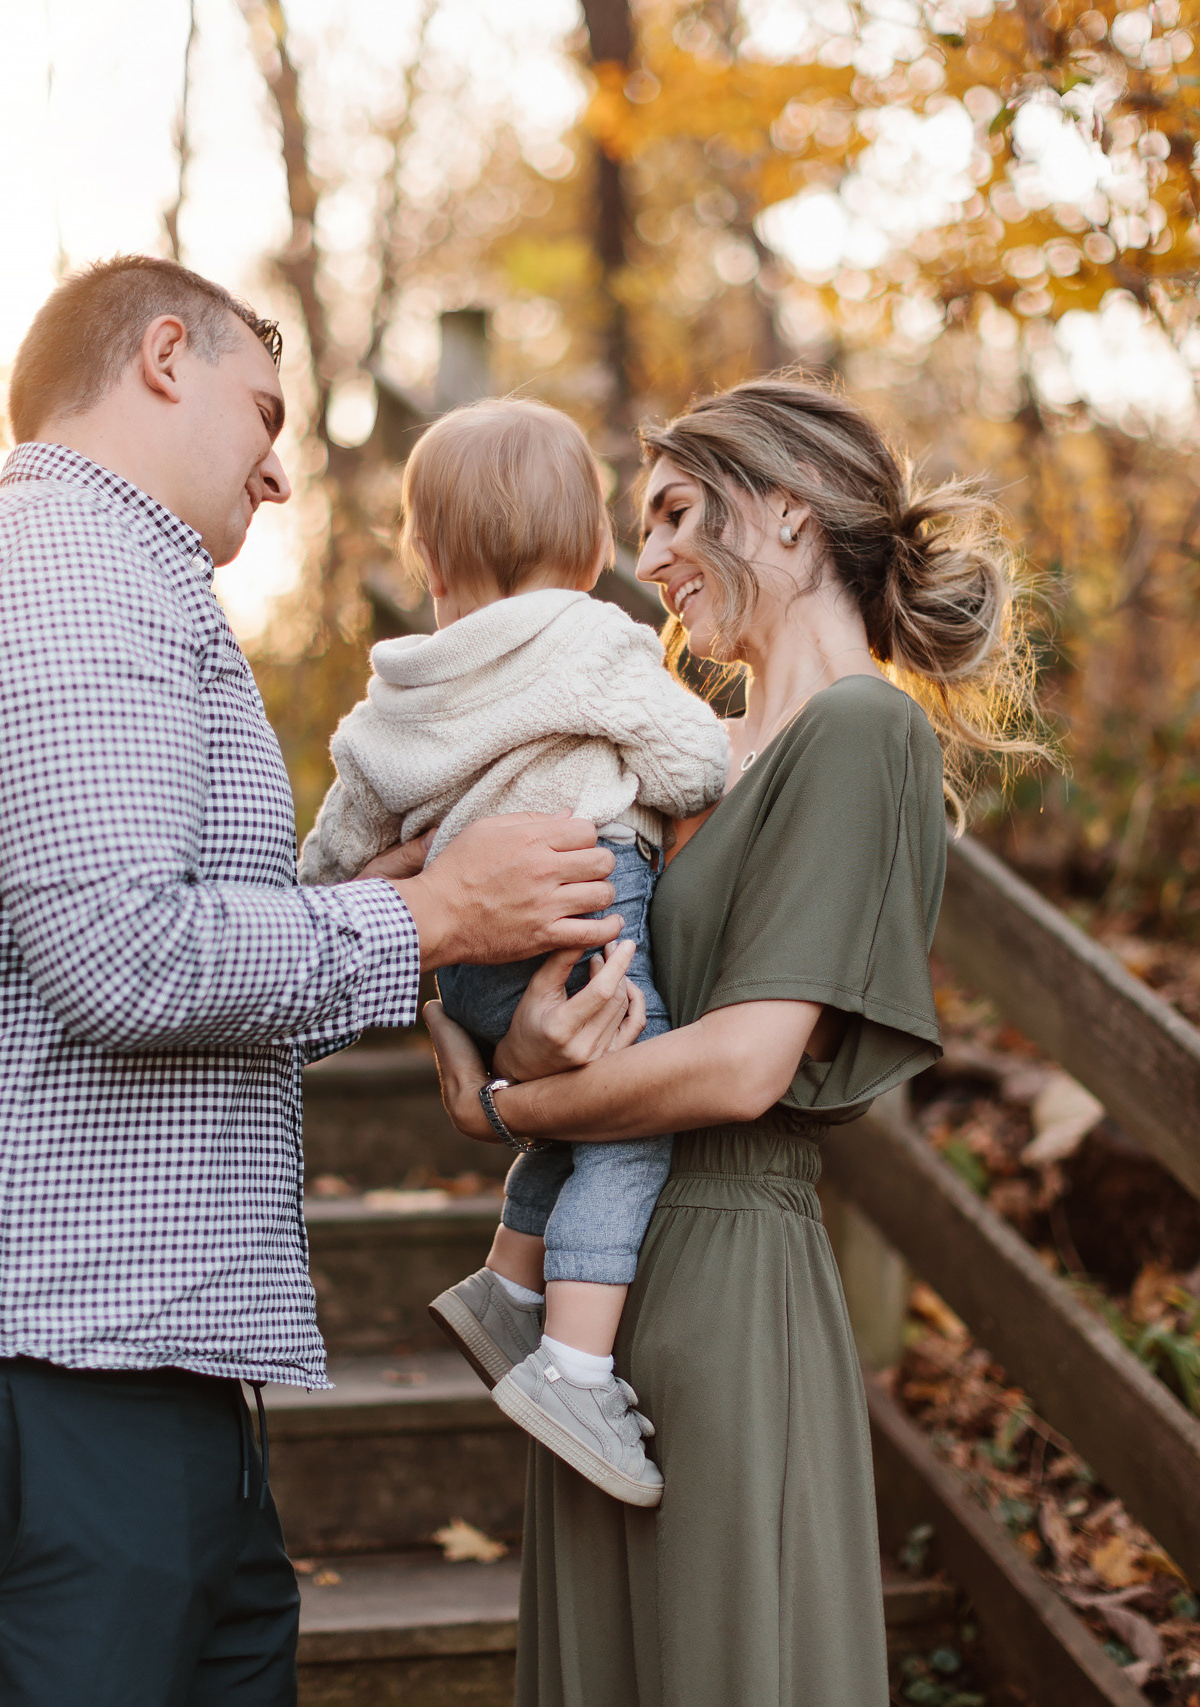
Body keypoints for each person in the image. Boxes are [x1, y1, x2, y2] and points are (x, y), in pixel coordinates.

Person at [0, 255, 626, 1707]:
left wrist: (398, 922)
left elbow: (171, 957)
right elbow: (123, 958)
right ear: (166, 356)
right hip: (14, 1376)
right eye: (264, 410)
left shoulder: (114, 582)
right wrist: (431, 922)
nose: (279, 471)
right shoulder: (57, 565)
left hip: (127, 1374)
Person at [422, 374, 1048, 1707]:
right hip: (600, 1303)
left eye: (673, 513)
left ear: (784, 515)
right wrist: (521, 1040)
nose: (643, 561)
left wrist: (526, 1108)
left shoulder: (863, 729)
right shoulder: (684, 756)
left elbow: (746, 1062)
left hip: (724, 1275)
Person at [296, 397, 728, 1506]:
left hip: (466, 955)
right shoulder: (588, 637)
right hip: (585, 907)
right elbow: (690, 764)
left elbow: (343, 846)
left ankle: (506, 1284)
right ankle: (577, 1372)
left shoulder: (403, 684)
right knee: (631, 1129)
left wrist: (350, 896)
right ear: (591, 548)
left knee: (572, 1130)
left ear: (429, 555)